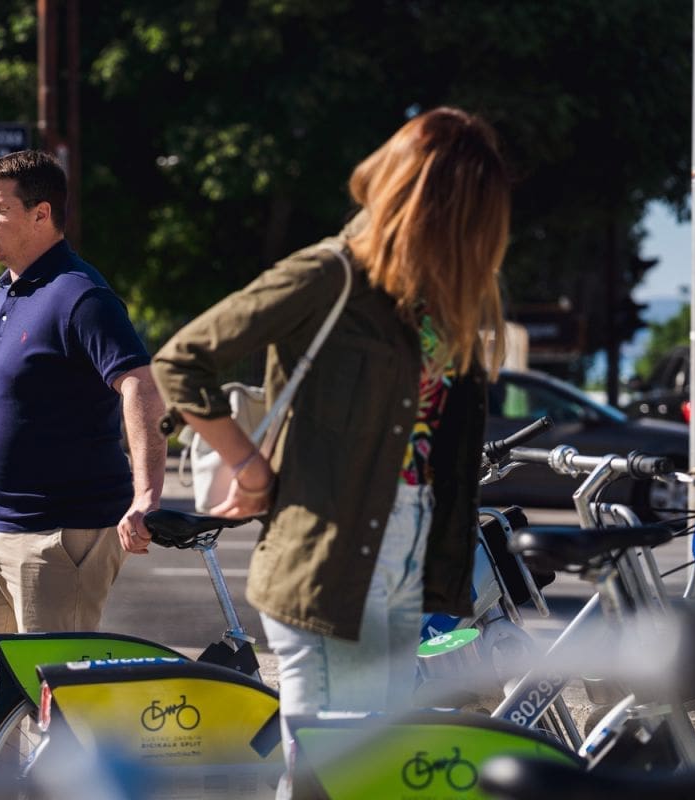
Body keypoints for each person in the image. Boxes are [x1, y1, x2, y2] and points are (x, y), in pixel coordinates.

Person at [151, 107, 510, 786]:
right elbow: (181, 361)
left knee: (366, 773)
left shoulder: (438, 300)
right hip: (327, 562)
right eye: (471, 216)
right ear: (428, 204)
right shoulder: (332, 276)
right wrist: (249, 465)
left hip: (404, 559)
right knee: (338, 775)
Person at [0, 149, 167, 753]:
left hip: (60, 535)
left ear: (42, 213)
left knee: (60, 716)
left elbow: (139, 386)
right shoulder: (7, 293)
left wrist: (146, 495)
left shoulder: (80, 294)